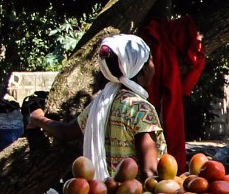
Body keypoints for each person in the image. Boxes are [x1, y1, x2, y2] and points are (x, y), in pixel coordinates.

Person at [26, 33, 165, 180]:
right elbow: (149, 172)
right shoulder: (140, 110)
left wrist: (38, 118)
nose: (153, 65)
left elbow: (66, 132)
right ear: (142, 69)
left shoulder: (100, 103)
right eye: (151, 60)